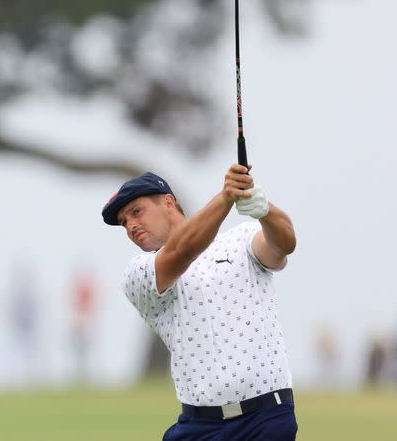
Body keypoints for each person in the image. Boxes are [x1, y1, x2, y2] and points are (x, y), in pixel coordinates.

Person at [102, 164, 298, 440]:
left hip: (266, 419)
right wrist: (226, 197)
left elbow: (284, 244)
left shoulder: (240, 240)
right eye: (124, 222)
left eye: (136, 212)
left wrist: (265, 210)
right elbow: (182, 251)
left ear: (168, 203)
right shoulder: (139, 274)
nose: (131, 225)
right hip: (200, 427)